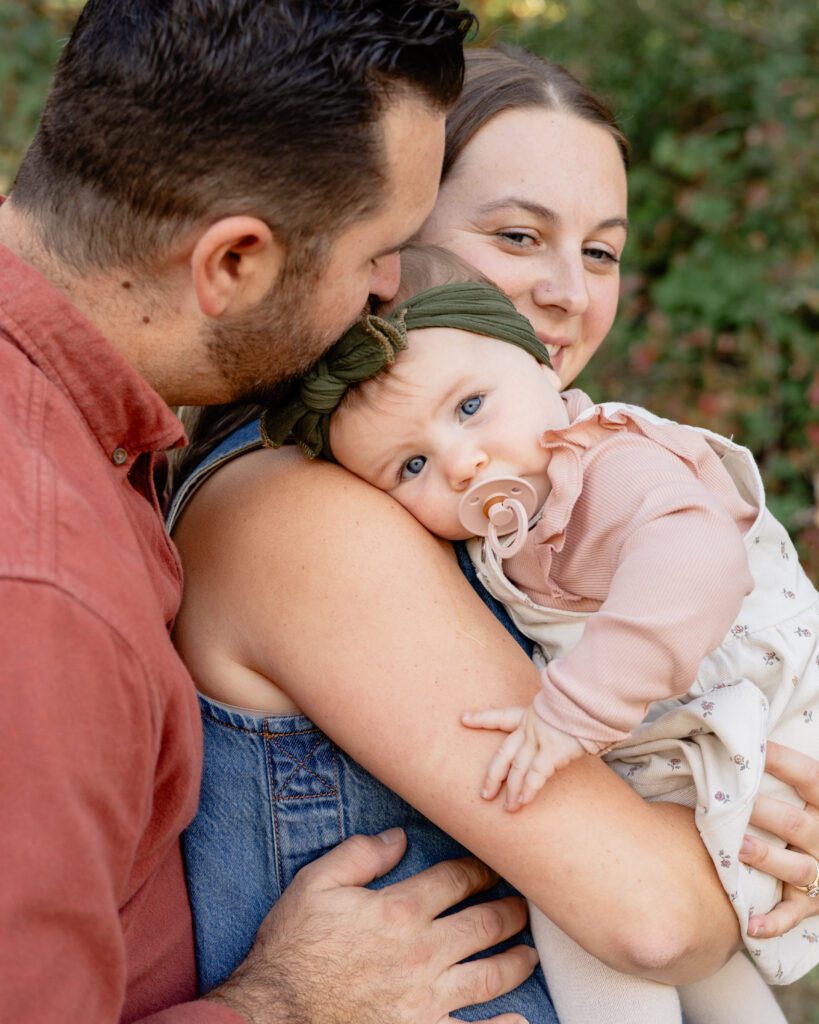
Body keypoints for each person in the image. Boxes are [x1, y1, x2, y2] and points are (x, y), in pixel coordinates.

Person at [172, 45, 819, 1024]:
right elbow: (651, 915)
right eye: (519, 236)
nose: (569, 289)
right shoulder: (301, 511)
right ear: (385, 233)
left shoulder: (517, 482)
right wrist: (746, 847)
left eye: (600, 249)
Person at [0, 4, 549, 1022]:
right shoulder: (40, 595)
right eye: (377, 251)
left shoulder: (79, 427)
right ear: (234, 264)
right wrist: (282, 1003)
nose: (392, 290)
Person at [262, 243, 819, 1019]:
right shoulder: (506, 512)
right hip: (696, 737)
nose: (461, 462)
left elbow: (695, 561)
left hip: (759, 722)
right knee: (709, 978)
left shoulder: (609, 462)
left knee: (576, 917)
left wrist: (570, 712)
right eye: (410, 467)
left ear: (538, 362)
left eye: (468, 407)